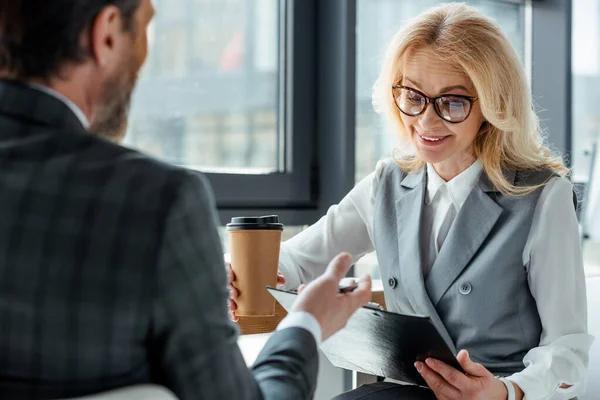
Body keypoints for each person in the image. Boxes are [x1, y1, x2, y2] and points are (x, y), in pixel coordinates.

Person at [0, 0, 372, 399]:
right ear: (106, 34)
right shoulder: (154, 201)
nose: (143, 59)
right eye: (144, 29)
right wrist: (305, 324)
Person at [228, 3, 594, 399]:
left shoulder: (541, 196)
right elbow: (300, 260)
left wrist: (506, 391)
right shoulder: (386, 184)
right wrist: (238, 276)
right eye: (413, 96)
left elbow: (567, 352)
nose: (426, 121)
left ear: (492, 106)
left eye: (453, 103)